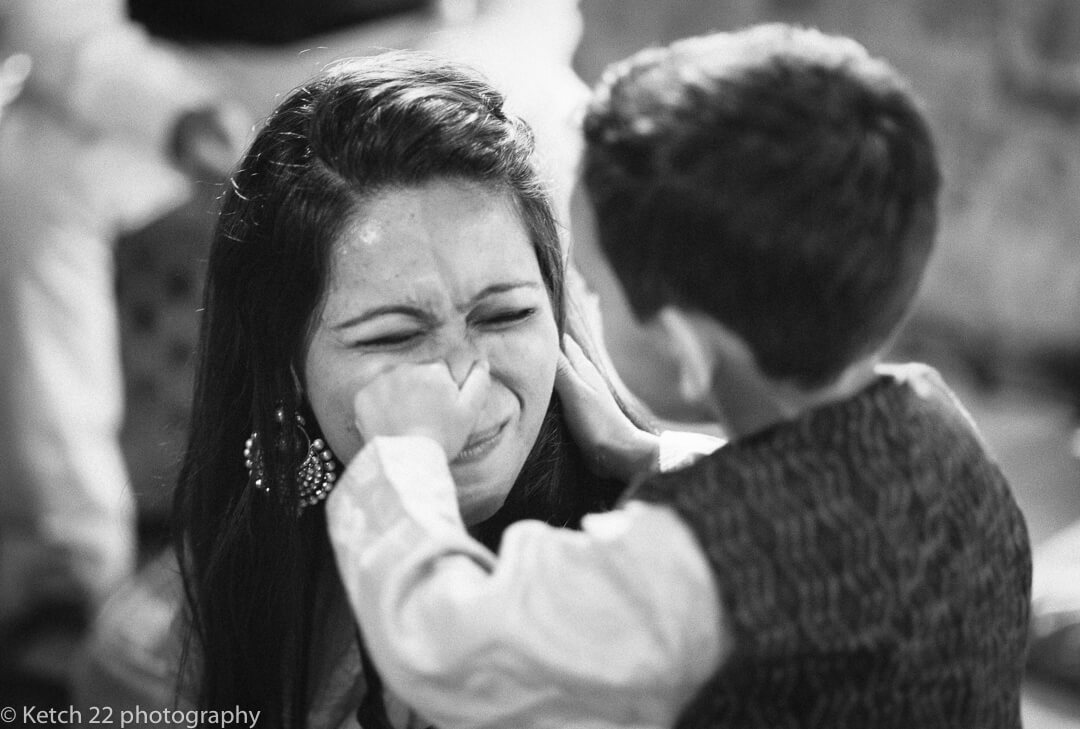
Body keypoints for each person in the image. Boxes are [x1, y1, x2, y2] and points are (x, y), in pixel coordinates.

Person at [325, 24, 1034, 729]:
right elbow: (835, 518)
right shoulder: (939, 423)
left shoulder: (676, 571)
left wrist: (403, 454)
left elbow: (449, 648)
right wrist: (650, 454)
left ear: (684, 345)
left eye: (593, 292)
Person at [77, 51, 716, 729]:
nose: (460, 381)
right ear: (287, 362)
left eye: (505, 316)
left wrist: (656, 463)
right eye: (392, 337)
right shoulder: (152, 658)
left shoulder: (647, 559)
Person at [0, 0, 249, 698]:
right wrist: (172, 109)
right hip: (175, 68)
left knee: (542, 146)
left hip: (411, 54)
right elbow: (51, 20)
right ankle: (65, 576)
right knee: (18, 185)